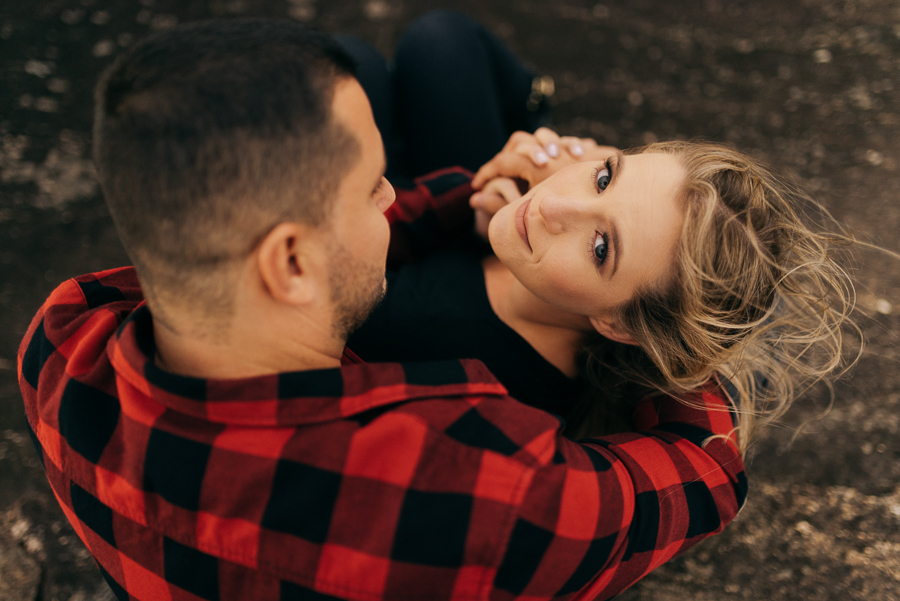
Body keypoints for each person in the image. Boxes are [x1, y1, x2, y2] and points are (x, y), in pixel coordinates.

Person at [18, 17, 746, 601]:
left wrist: (477, 198)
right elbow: (706, 469)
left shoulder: (60, 341)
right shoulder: (466, 489)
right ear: (291, 263)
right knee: (441, 42)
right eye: (373, 186)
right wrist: (677, 313)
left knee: (384, 54)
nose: (396, 197)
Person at [339, 12, 857, 448]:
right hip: (477, 236)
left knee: (350, 64)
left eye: (602, 247)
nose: (554, 203)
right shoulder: (538, 236)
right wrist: (482, 216)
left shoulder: (454, 361)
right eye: (605, 175)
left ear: (618, 325)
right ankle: (535, 113)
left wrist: (447, 210)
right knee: (440, 39)